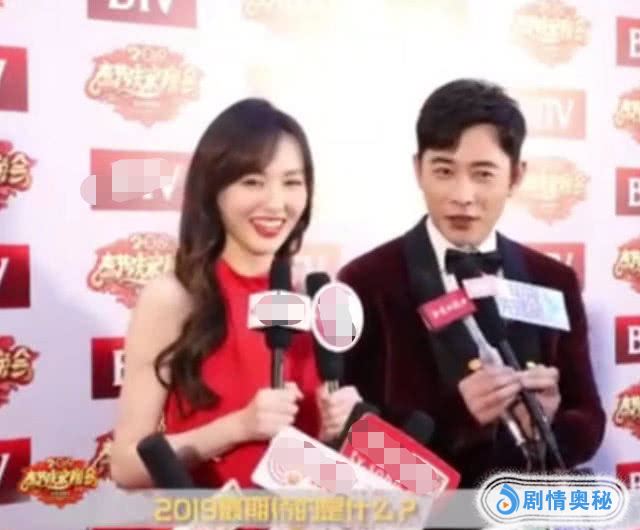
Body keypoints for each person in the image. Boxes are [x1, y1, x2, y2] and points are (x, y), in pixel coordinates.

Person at [337, 79, 606, 488]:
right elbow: (354, 438)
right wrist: (458, 416)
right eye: (444, 171)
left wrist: (549, 426)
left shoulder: (553, 279)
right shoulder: (366, 282)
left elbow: (588, 419)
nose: (463, 195)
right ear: (418, 170)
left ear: (515, 176)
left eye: (483, 174)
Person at [110, 98, 361, 489]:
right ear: (214, 189)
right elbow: (126, 467)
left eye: (292, 182)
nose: (276, 203)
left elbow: (322, 465)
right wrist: (238, 427)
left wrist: (342, 429)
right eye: (252, 182)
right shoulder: (174, 298)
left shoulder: (317, 298)